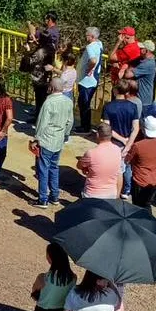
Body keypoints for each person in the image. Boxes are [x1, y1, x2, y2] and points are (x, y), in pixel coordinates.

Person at [32, 76, 73, 208]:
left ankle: (42, 198)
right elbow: (70, 121)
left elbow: (42, 123)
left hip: (47, 139)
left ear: (52, 88)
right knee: (54, 168)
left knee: (43, 169)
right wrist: (65, 134)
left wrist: (36, 138)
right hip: (59, 139)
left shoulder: (48, 103)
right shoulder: (68, 101)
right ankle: (54, 196)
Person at [102, 79, 141, 198]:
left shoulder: (108, 107)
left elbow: (107, 128)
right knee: (126, 168)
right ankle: (126, 190)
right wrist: (128, 143)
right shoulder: (133, 106)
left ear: (115, 90)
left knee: (112, 169)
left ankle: (111, 191)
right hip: (128, 141)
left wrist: (122, 139)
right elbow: (136, 128)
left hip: (113, 142)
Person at [77, 123, 122, 199]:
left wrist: (85, 168)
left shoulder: (91, 153)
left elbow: (79, 166)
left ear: (97, 135)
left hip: (92, 195)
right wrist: (117, 195)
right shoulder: (118, 150)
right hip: (111, 194)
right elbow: (119, 175)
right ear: (111, 134)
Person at [128, 115, 156, 208]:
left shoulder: (138, 145)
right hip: (155, 180)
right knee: (147, 204)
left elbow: (128, 160)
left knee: (137, 206)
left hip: (140, 181)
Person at [77, 27, 103, 134]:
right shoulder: (99, 44)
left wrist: (89, 68)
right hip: (92, 79)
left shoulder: (90, 47)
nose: (85, 36)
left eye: (87, 35)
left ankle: (85, 127)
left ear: (92, 37)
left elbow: (93, 60)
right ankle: (84, 125)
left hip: (87, 81)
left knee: (84, 103)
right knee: (83, 103)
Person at [25, 29, 56, 115]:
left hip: (39, 77)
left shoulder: (40, 52)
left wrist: (27, 50)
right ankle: (40, 114)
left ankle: (38, 116)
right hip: (47, 76)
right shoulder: (51, 48)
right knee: (44, 97)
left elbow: (30, 61)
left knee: (39, 98)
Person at [133, 40, 156, 107]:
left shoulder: (148, 64)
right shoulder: (144, 61)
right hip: (142, 100)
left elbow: (128, 74)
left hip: (143, 101)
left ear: (146, 51)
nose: (139, 49)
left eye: (141, 48)